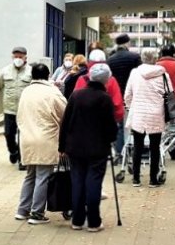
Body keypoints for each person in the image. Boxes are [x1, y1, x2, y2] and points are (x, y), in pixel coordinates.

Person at [59, 63, 117, 232]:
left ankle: (77, 220)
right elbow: (110, 126)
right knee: (93, 182)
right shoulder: (104, 98)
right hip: (97, 148)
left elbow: (65, 122)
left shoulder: (76, 95)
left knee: (77, 181)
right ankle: (93, 221)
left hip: (75, 147)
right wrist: (111, 139)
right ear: (106, 80)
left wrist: (62, 146)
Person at [14, 63, 67, 225]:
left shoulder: (26, 91)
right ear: (48, 75)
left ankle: (23, 210)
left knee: (30, 175)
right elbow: (65, 112)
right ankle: (36, 213)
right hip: (45, 138)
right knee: (43, 176)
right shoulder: (52, 92)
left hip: (27, 138)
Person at [124, 49, 172, 188]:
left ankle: (136, 179)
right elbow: (170, 93)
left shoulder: (134, 73)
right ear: (155, 58)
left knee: (137, 146)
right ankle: (153, 179)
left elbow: (128, 94)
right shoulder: (163, 74)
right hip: (156, 114)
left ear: (142, 58)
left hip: (138, 113)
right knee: (155, 147)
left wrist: (129, 107)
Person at [0, 46, 32, 166]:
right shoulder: (5, 71)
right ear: (12, 57)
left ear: (25, 57)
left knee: (24, 137)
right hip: (9, 110)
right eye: (16, 56)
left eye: (20, 56)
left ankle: (23, 160)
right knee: (9, 135)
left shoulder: (31, 71)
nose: (18, 59)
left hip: (25, 111)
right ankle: (13, 151)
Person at [107, 35, 140, 155]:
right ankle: (130, 151)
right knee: (133, 125)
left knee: (120, 125)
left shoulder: (110, 59)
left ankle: (119, 150)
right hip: (132, 95)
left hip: (116, 95)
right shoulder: (135, 57)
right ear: (127, 43)